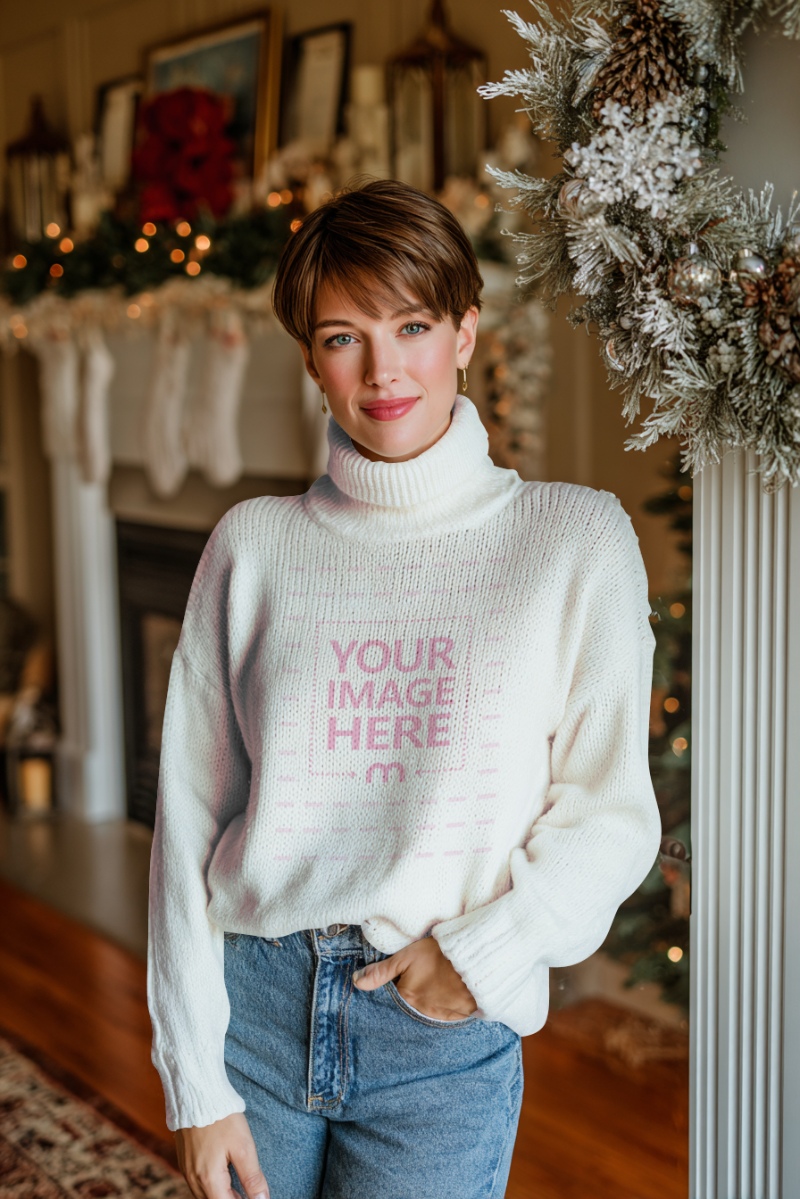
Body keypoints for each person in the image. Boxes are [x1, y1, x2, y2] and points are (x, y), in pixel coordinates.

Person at [147, 179, 662, 1199]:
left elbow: (610, 815)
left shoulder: (572, 539)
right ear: (309, 358)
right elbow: (185, 816)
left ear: (465, 333)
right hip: (254, 1014)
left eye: (412, 325)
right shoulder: (252, 547)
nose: (382, 370)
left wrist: (485, 951)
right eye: (342, 337)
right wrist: (192, 1080)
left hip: (439, 1031)